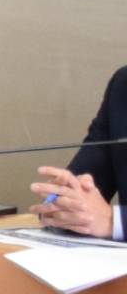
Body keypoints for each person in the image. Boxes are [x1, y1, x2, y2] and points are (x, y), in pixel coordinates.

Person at [30, 64, 126, 241]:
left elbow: (105, 218)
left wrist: (114, 221)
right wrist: (61, 204)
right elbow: (85, 178)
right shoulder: (123, 83)